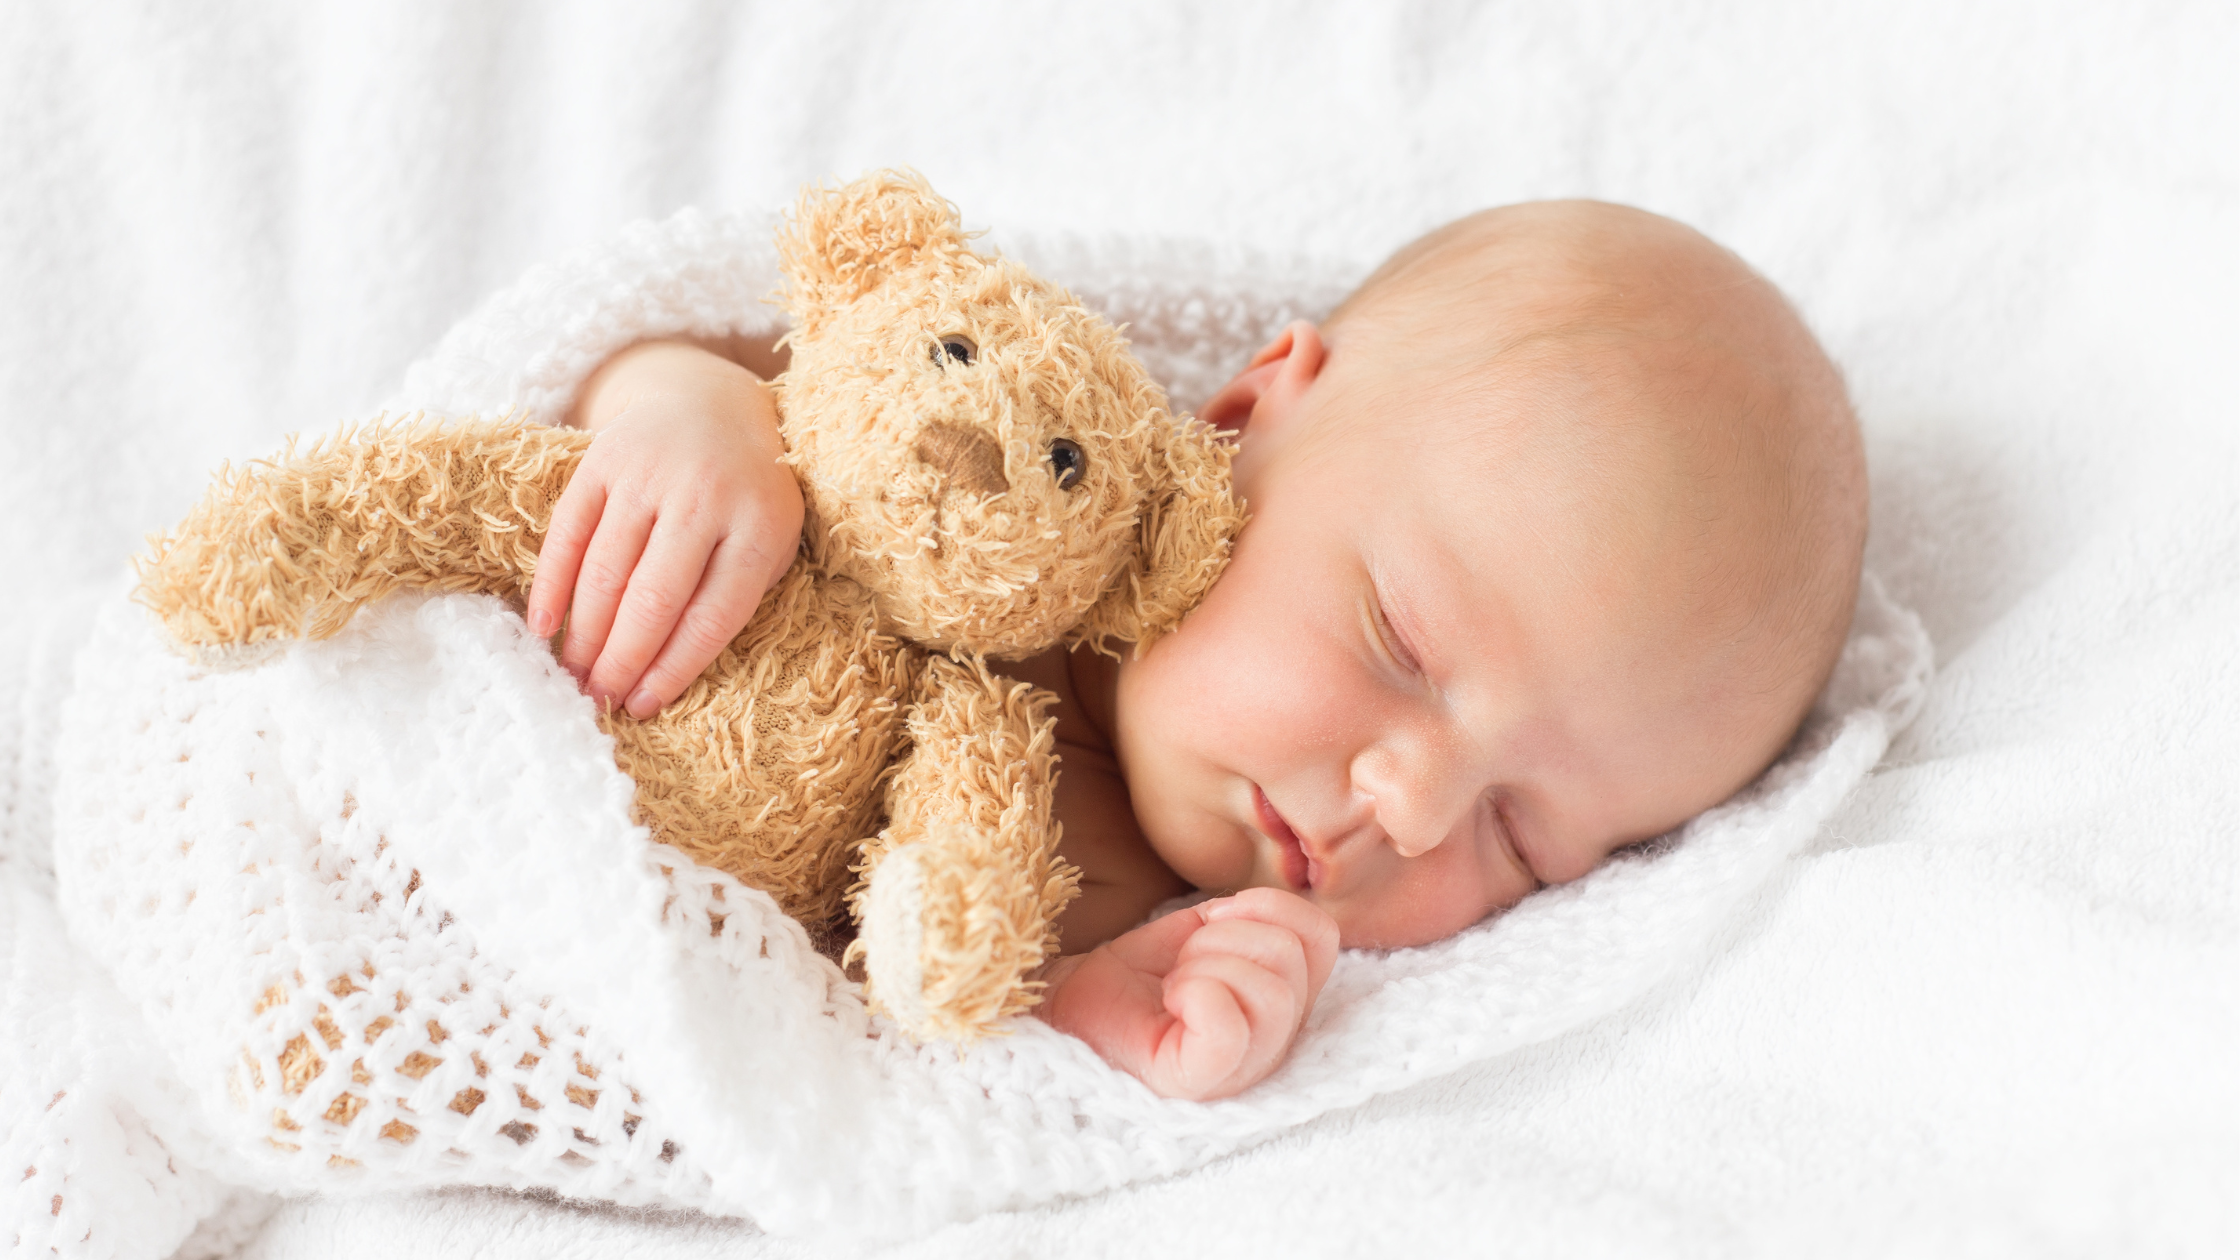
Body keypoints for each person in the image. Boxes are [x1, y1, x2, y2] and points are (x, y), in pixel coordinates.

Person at [526, 200, 1867, 1102]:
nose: (1409, 808)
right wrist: (696, 423)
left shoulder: (1135, 913)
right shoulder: (1016, 449)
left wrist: (1106, 1016)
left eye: (1521, 840)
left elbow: (900, 1058)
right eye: (1400, 640)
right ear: (1240, 413)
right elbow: (714, 343)